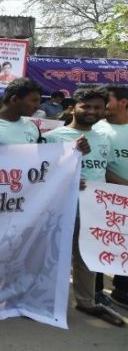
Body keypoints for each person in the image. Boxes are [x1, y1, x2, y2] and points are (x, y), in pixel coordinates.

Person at [44, 87, 124, 326]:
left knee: (87, 256)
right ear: (73, 107)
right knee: (54, 254)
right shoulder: (54, 137)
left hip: (95, 207)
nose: (92, 111)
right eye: (86, 106)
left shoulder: (104, 138)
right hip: (62, 205)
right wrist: (68, 173)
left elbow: (104, 170)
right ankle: (46, 299)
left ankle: (86, 301)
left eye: (97, 107)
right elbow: (43, 173)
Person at [93, 85, 128, 310]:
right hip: (106, 200)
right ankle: (95, 293)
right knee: (100, 245)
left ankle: (122, 291)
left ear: (123, 102)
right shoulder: (97, 130)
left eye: (108, 99)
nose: (104, 104)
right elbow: (98, 164)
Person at [0, 78, 44, 145]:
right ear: (14, 100)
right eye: (34, 101)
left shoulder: (33, 127)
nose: (38, 106)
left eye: (39, 101)